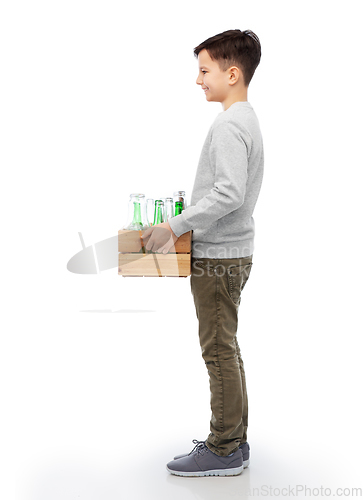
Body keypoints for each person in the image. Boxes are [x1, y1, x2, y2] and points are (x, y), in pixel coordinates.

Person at [141, 29, 264, 477]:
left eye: (205, 70)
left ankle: (224, 447)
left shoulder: (231, 124)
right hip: (232, 252)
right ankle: (236, 441)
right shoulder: (245, 119)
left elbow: (228, 193)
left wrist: (174, 225)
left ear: (232, 73)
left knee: (217, 350)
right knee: (226, 347)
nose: (198, 80)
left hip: (219, 257)